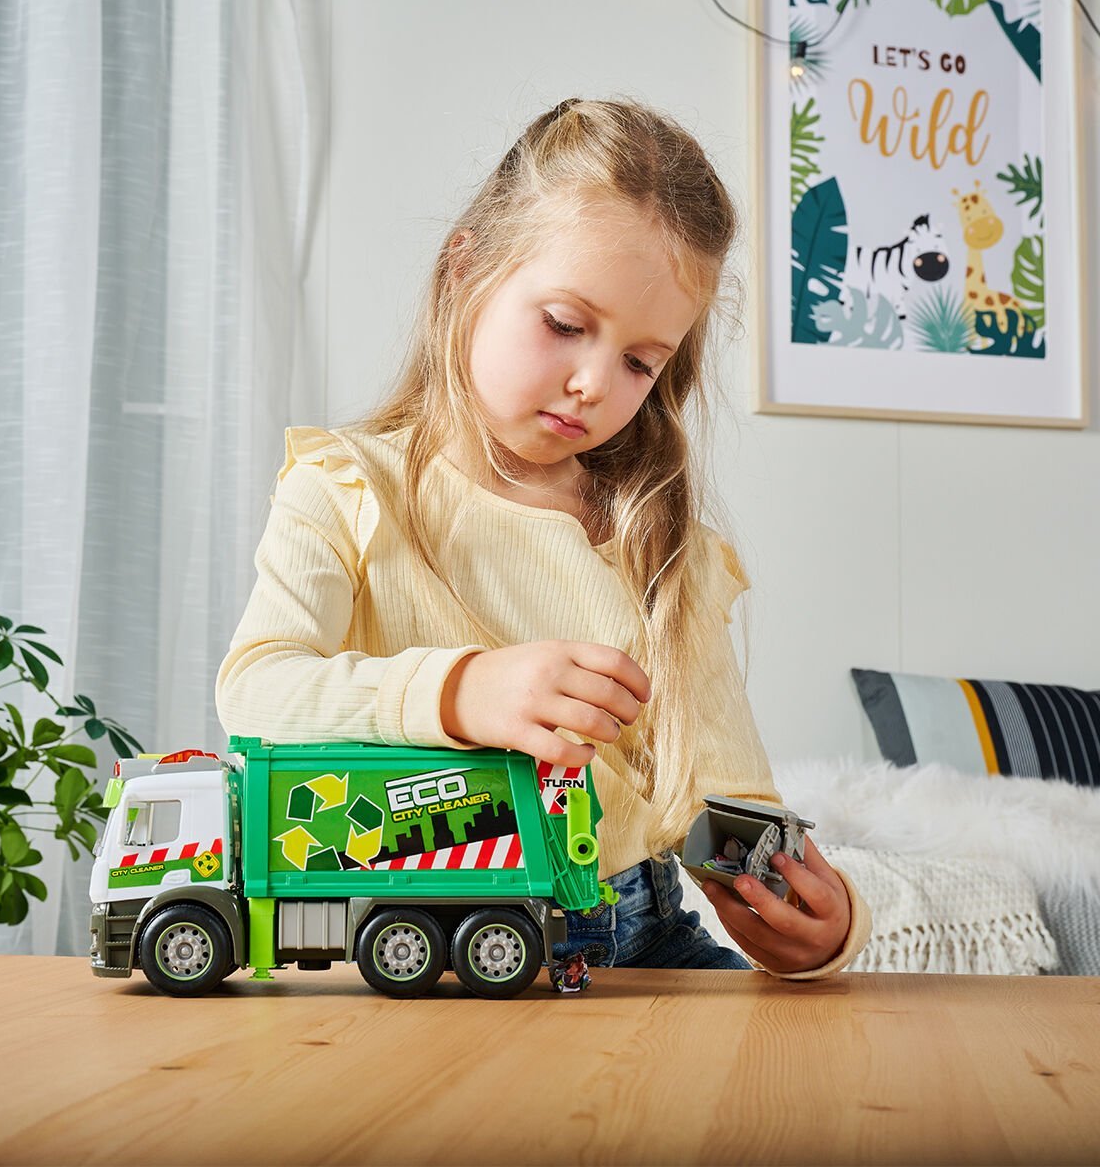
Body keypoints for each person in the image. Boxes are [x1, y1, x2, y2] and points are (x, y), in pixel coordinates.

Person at [215, 96, 872, 980]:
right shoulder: (344, 489)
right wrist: (459, 692)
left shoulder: (659, 540)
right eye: (565, 325)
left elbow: (719, 803)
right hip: (421, 935)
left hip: (639, 938)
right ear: (467, 269)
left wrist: (821, 926)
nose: (594, 383)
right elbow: (256, 693)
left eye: (640, 362)